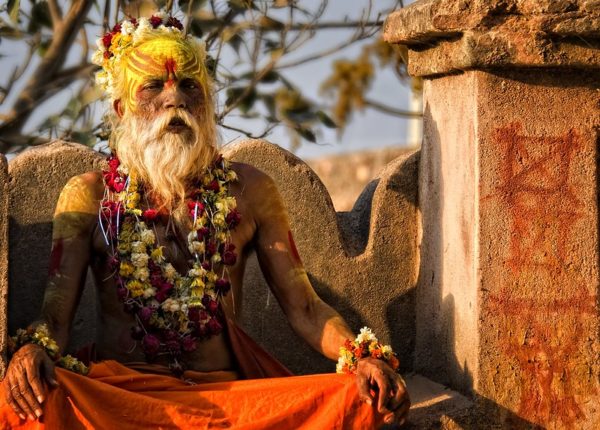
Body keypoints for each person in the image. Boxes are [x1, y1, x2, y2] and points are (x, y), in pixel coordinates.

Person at [0, 13, 410, 429]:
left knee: (361, 398)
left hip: (229, 403)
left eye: (189, 86)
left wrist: (363, 357)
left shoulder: (251, 191)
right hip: (121, 400)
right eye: (154, 86)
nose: (174, 99)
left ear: (207, 103)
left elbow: (304, 307)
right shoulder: (88, 196)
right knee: (22, 405)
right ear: (122, 108)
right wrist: (31, 351)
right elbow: (54, 321)